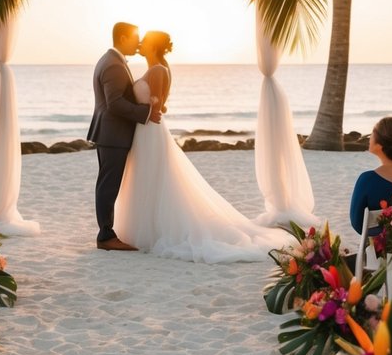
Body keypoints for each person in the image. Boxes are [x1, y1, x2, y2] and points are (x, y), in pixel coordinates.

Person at [113, 31, 288, 262]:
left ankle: (149, 230)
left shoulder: (157, 70)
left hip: (149, 130)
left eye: (145, 41)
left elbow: (157, 106)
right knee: (147, 177)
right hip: (146, 130)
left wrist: (146, 108)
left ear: (153, 47)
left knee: (150, 177)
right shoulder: (159, 68)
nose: (141, 44)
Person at [89, 22, 160, 251]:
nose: (137, 42)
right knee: (108, 185)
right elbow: (115, 103)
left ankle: (106, 233)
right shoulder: (114, 65)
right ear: (122, 37)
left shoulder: (111, 60)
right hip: (113, 134)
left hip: (110, 133)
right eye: (134, 37)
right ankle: (106, 236)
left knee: (107, 184)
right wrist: (146, 113)